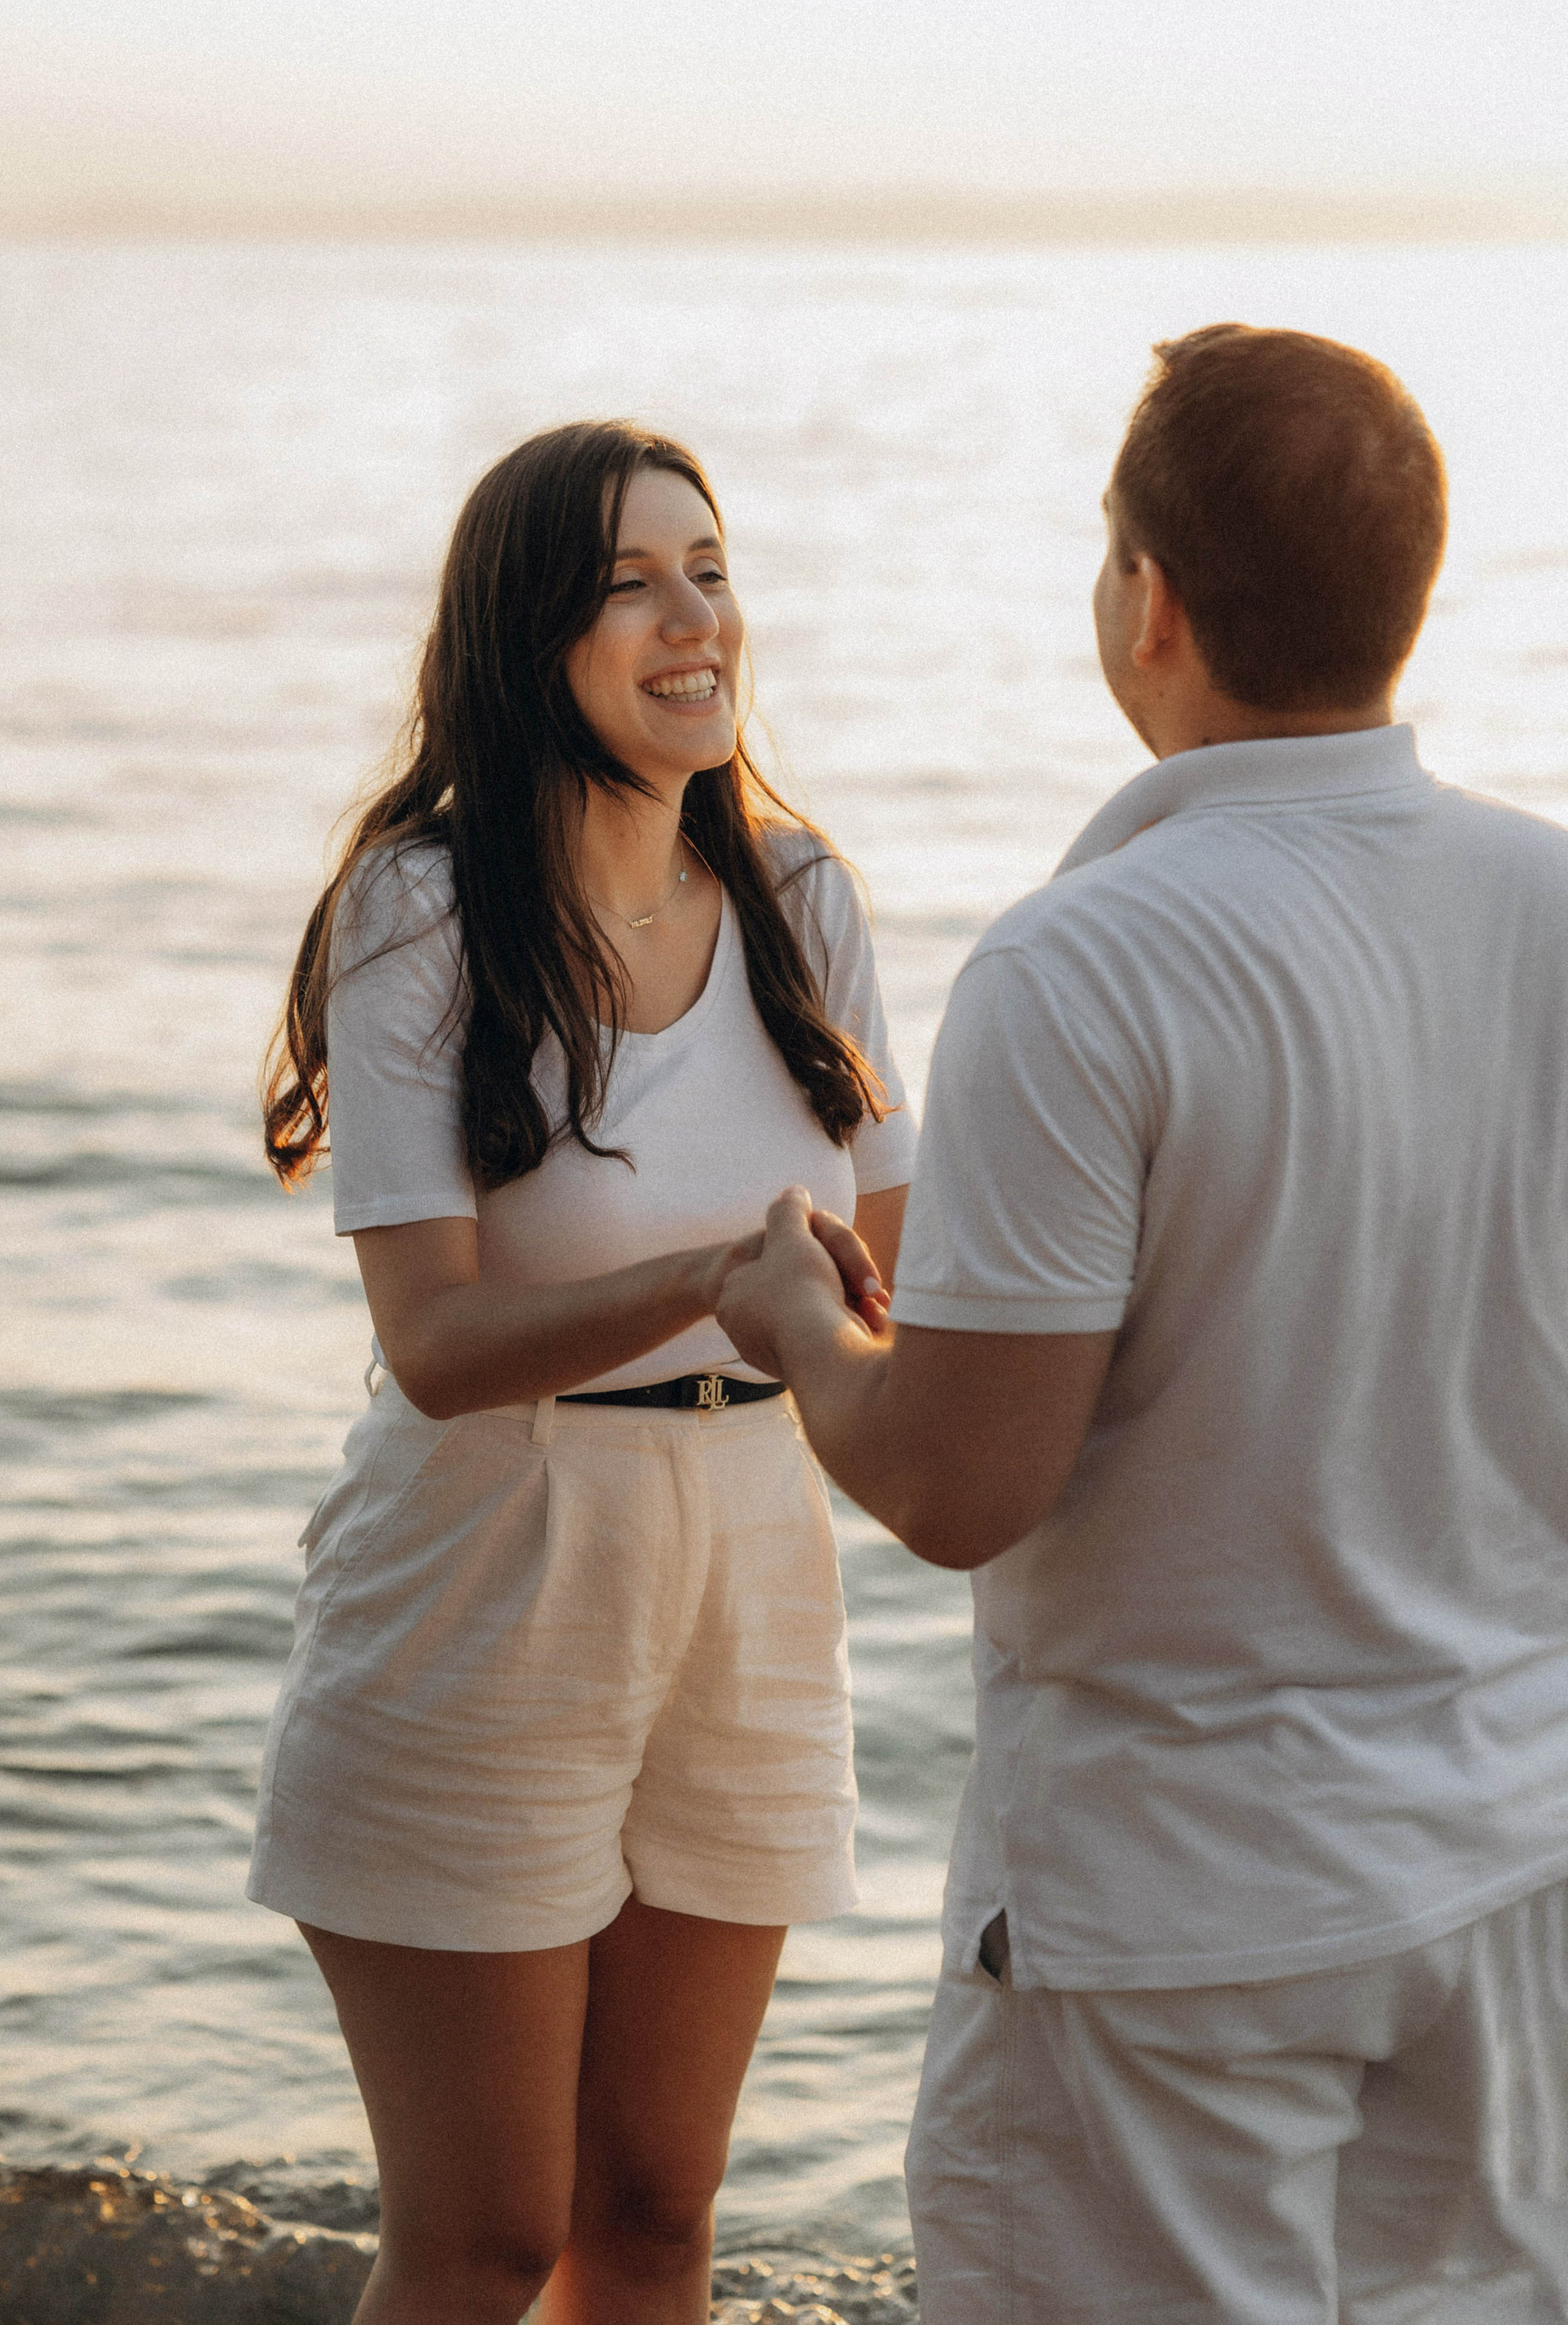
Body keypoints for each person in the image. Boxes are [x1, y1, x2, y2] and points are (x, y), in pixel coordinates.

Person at [718, 325, 1568, 2321]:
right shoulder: (1550, 905)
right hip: (1507, 1863)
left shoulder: (1083, 963)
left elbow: (959, 1482)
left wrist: (800, 1330)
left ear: (1149, 599)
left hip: (1176, 1915)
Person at [247, 418, 915, 2325]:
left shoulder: (808, 899)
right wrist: (714, 1276)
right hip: (493, 1559)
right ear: (524, 632)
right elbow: (435, 1341)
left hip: (755, 1569)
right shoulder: (420, 907)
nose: (693, 617)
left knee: (655, 2217)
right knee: (482, 2238)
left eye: (710, 567)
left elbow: (923, 1271)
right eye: (631, 581)